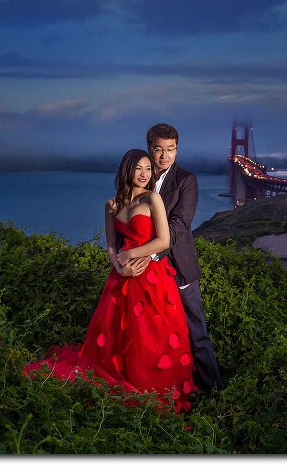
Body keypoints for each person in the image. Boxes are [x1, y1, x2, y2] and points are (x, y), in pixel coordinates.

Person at [24, 149, 195, 413]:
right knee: (118, 337)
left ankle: (155, 391)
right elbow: (111, 247)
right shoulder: (112, 204)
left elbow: (164, 240)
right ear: (126, 170)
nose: (144, 174)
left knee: (152, 336)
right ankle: (125, 382)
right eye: (139, 168)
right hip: (122, 279)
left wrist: (132, 254)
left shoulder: (152, 199)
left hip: (151, 277)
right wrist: (119, 267)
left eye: (148, 169)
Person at [125, 123, 225, 393]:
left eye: (171, 150)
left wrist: (150, 250)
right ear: (149, 148)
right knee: (154, 335)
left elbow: (181, 223)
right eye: (158, 150)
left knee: (196, 332)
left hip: (177, 266)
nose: (164, 156)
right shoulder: (137, 179)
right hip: (145, 275)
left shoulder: (186, 180)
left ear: (177, 150)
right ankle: (166, 391)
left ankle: (214, 392)